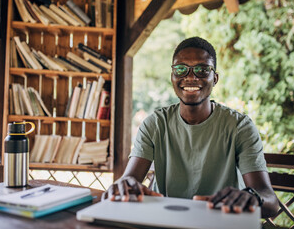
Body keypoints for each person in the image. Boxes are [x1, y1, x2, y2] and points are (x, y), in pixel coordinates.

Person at [103, 37, 279, 218]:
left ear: (215, 78)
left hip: (219, 221)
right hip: (164, 220)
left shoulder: (240, 127)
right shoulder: (155, 124)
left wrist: (252, 197)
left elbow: (270, 202)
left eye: (202, 70)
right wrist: (124, 185)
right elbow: (130, 178)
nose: (191, 77)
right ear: (172, 76)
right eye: (180, 69)